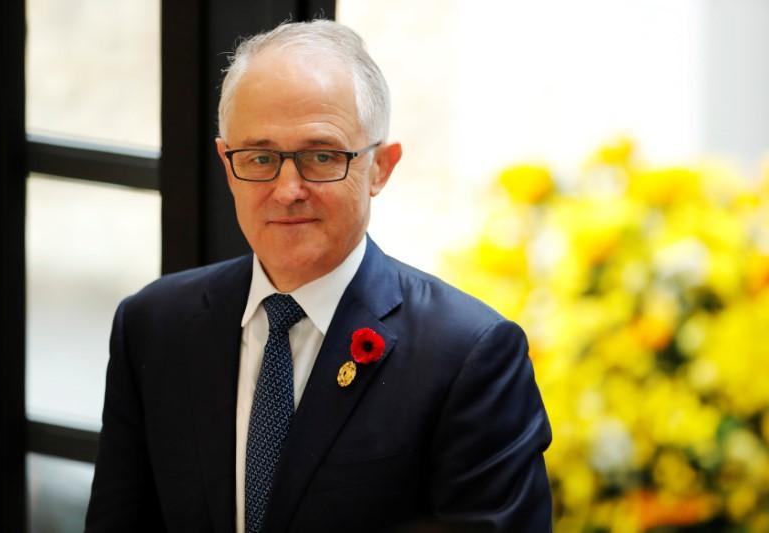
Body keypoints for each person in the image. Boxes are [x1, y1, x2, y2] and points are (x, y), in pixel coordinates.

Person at [86, 19, 552, 533]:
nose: (287, 190)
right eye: (260, 157)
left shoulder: (470, 357)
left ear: (381, 167)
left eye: (321, 156)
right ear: (226, 163)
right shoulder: (154, 326)